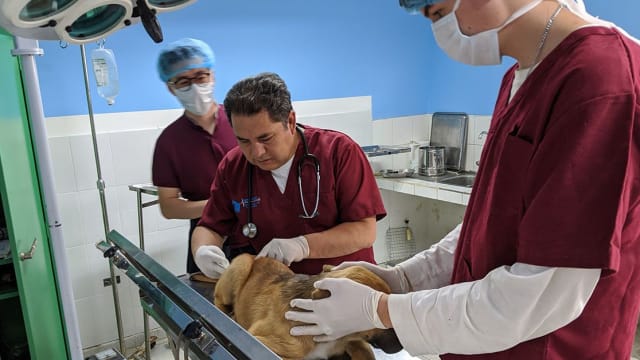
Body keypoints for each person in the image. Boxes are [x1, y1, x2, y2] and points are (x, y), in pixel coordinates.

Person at [285, 0, 640, 358]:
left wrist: (381, 309)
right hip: (485, 342)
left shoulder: (601, 80)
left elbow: (540, 294)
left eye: (438, 14)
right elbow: (487, 225)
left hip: (548, 347)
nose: (441, 33)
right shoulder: (522, 75)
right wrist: (403, 279)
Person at [190, 72, 386, 277]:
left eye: (265, 138)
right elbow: (209, 228)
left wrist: (303, 246)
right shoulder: (233, 167)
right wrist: (203, 251)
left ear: (290, 121)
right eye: (244, 141)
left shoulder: (339, 152)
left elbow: (364, 231)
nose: (257, 152)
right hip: (277, 293)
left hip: (346, 284)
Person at [152, 38, 237, 274]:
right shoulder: (170, 142)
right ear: (171, 87)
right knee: (209, 303)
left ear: (212, 76)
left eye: (201, 77)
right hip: (205, 237)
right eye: (183, 81)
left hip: (259, 229)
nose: (195, 86)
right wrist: (219, 206)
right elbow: (169, 207)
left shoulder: (240, 121)